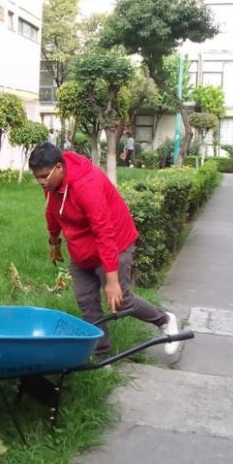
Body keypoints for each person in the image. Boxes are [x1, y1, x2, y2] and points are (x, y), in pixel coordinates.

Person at [28, 142, 180, 356]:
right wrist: (54, 241)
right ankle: (101, 354)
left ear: (59, 167)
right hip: (82, 248)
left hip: (114, 242)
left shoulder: (86, 185)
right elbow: (53, 212)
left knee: (121, 300)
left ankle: (164, 320)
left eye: (44, 176)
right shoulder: (53, 185)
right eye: (37, 177)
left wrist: (112, 280)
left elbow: (104, 232)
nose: (41, 182)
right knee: (86, 300)